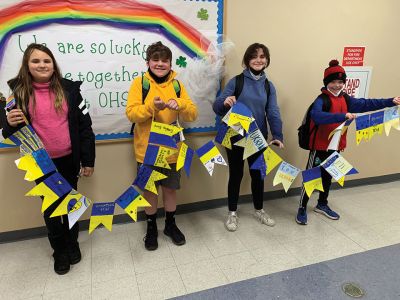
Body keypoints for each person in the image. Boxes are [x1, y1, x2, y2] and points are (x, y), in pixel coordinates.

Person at [2, 43, 95, 274]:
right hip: (41, 164)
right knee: (52, 209)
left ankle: (73, 244)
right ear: (27, 65)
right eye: (36, 61)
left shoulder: (71, 91)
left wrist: (88, 160)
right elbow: (10, 131)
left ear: (53, 65)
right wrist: (8, 124)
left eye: (46, 60)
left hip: (69, 160)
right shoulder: (19, 94)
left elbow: (85, 127)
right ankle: (59, 250)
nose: (42, 65)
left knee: (70, 204)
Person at [296, 59, 400, 225]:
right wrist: (342, 116)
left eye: (340, 82)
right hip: (319, 147)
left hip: (335, 147)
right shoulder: (321, 99)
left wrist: (390, 101)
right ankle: (302, 207)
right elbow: (317, 116)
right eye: (333, 82)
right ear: (326, 83)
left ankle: (322, 204)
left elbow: (366, 103)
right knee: (311, 177)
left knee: (328, 177)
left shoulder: (346, 99)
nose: (337, 85)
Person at [126, 41, 198, 251]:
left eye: (164, 60)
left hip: (172, 151)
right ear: (148, 62)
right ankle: (151, 228)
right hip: (146, 151)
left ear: (170, 63)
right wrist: (151, 107)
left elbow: (192, 114)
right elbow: (131, 113)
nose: (160, 64)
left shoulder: (177, 85)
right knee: (150, 191)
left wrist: (181, 104)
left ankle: (170, 225)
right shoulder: (140, 84)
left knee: (170, 190)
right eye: (155, 60)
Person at [213, 43, 284, 232]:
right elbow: (217, 106)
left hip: (257, 137)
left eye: (262, 56)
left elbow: (273, 111)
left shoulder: (269, 86)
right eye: (254, 56)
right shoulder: (236, 82)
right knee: (236, 174)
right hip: (235, 135)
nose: (259, 60)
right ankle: (232, 213)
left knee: (258, 174)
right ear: (247, 60)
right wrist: (224, 102)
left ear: (267, 60)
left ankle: (259, 209)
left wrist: (277, 134)